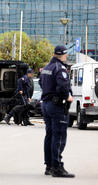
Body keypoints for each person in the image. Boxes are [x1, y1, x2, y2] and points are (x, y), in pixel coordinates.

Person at [39, 45, 74, 178]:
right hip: (57, 106)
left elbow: (42, 84)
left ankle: (49, 166)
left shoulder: (46, 68)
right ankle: (57, 167)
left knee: (50, 135)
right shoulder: (60, 69)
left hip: (46, 104)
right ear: (63, 55)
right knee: (59, 136)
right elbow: (63, 87)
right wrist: (67, 96)